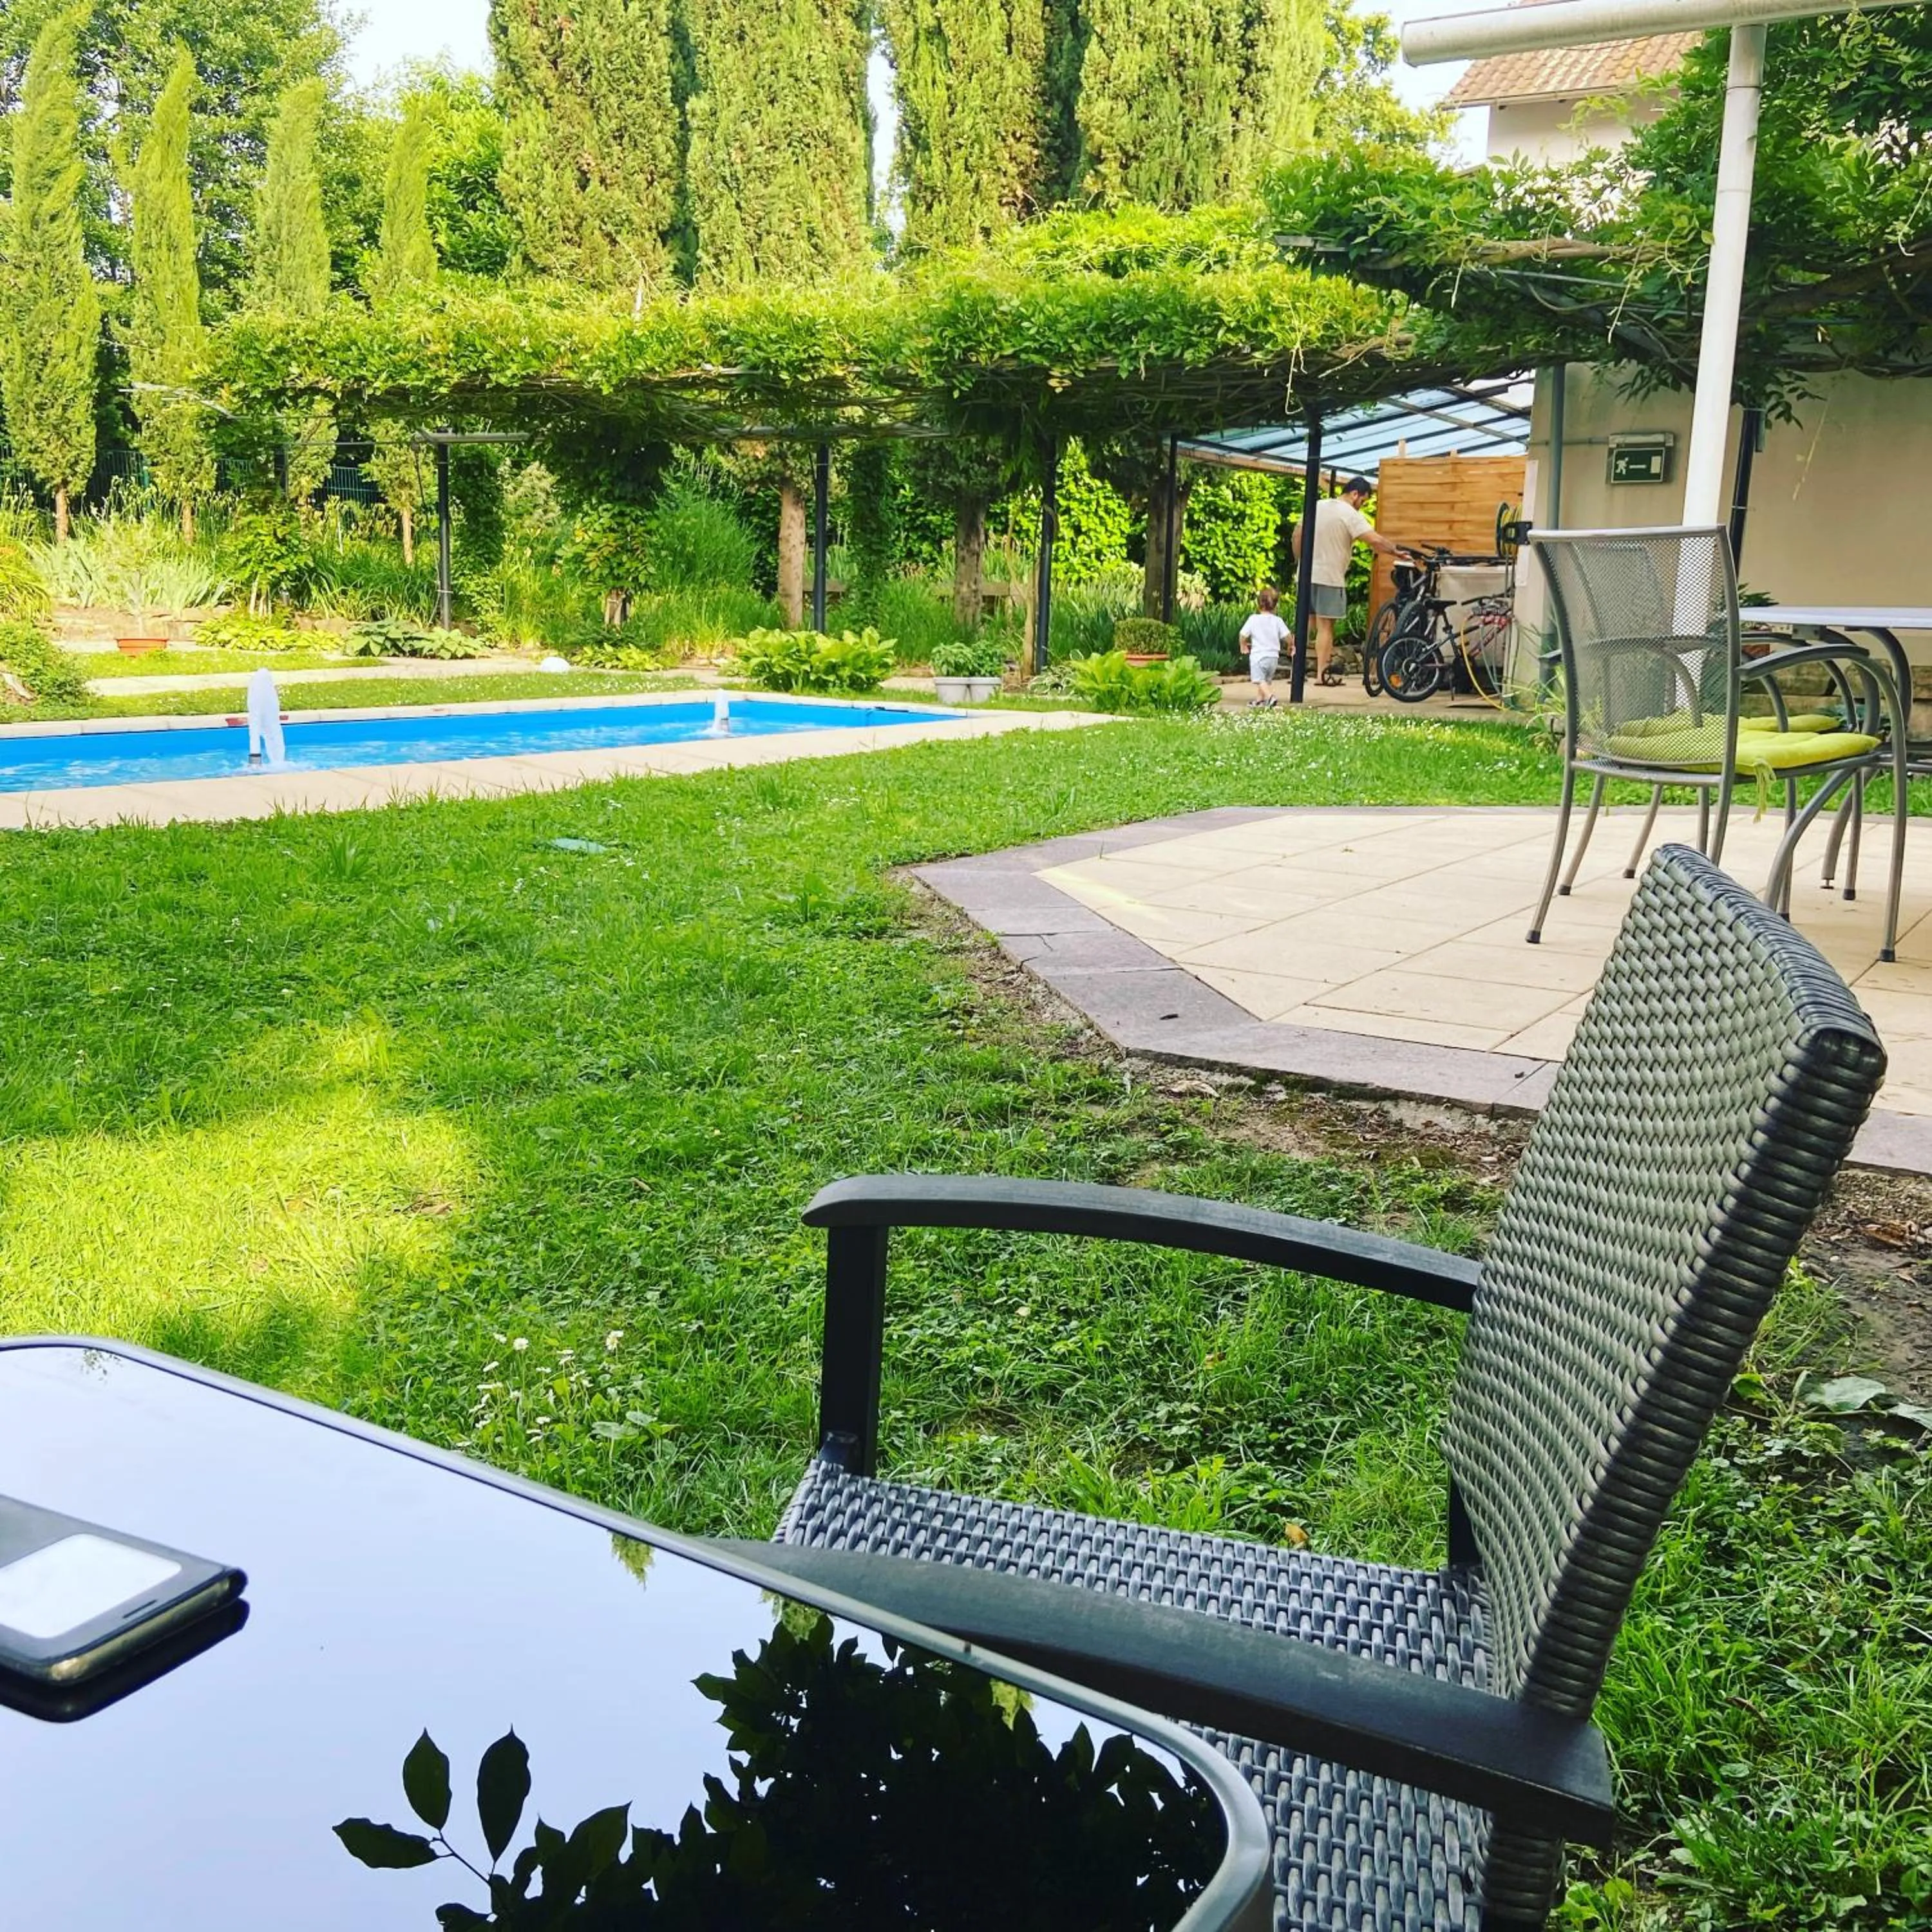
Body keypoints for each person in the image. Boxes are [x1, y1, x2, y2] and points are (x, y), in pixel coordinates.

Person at [1299, 476, 1405, 685]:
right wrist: (1396, 552)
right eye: (1363, 502)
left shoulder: (1317, 505)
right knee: (1325, 626)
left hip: (1305, 574)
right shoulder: (1349, 513)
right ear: (1355, 494)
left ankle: (1297, 674)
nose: (1361, 506)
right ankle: (1321, 675)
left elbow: (1298, 535)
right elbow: (1373, 539)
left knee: (1304, 623)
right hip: (1330, 576)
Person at [1238, 586, 1291, 707]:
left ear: (1258, 604)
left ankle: (1270, 697)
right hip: (1273, 658)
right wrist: (1290, 646)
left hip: (1259, 657)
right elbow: (1288, 636)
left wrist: (1243, 645)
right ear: (1275, 606)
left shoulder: (1253, 619)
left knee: (1259, 680)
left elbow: (1242, 635)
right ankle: (1259, 701)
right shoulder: (1278, 621)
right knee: (1265, 681)